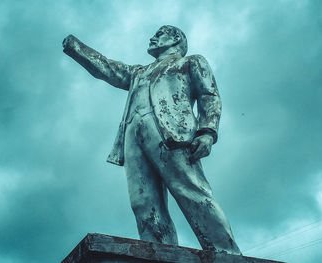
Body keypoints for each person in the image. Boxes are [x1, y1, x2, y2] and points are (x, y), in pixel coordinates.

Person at [62, 25, 241, 255]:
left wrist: (207, 131)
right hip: (134, 139)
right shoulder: (138, 73)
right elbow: (107, 68)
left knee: (192, 193)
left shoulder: (190, 62)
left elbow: (210, 96)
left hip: (172, 137)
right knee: (143, 202)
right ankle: (161, 253)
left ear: (176, 38)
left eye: (159, 34)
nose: (152, 38)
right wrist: (77, 48)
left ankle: (226, 253)